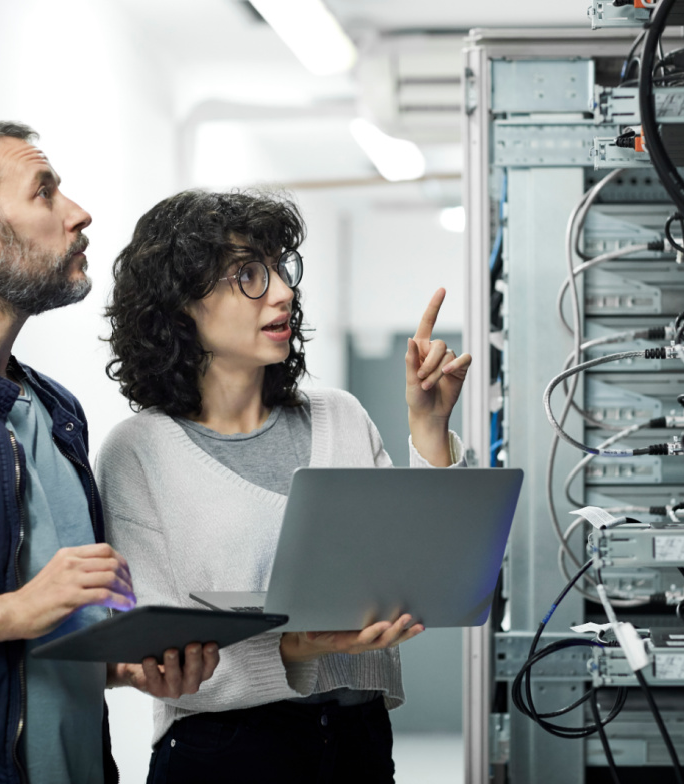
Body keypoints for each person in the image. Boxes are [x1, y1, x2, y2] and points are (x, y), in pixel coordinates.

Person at [96, 188, 472, 783]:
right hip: (224, 752)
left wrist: (428, 424)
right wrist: (293, 652)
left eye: (278, 269)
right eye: (248, 274)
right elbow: (164, 655)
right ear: (180, 307)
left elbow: (423, 569)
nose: (283, 291)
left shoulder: (339, 415)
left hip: (358, 741)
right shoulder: (138, 452)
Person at [0, 121, 218, 784]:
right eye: (46, 193)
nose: (79, 214)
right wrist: (11, 612)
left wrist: (122, 665)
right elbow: (20, 615)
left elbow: (40, 644)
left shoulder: (55, 410)